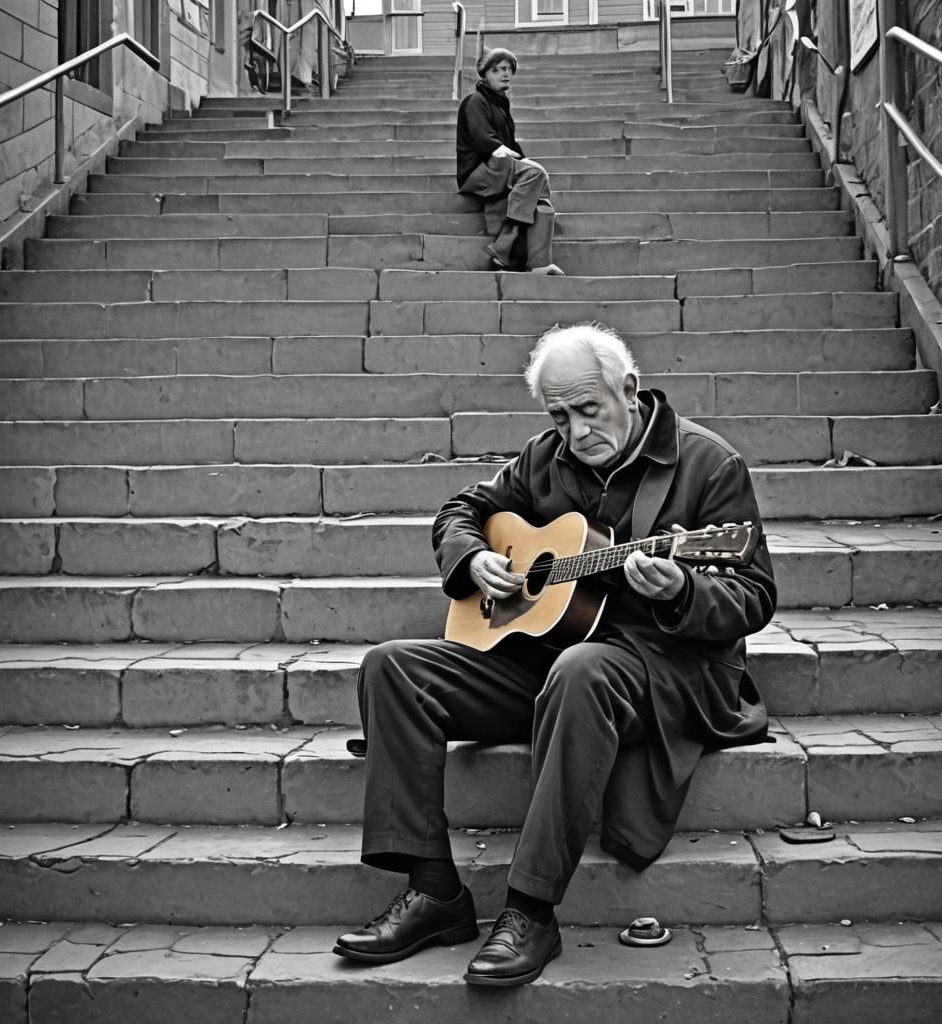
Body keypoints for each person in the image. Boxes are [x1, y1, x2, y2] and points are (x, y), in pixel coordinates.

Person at [333, 322, 776, 987]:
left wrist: (684, 589)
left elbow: (753, 596)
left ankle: (531, 910)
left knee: (582, 670)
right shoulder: (546, 458)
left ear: (628, 390)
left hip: (657, 668)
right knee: (392, 667)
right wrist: (475, 556)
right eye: (559, 416)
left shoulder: (708, 465)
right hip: (548, 661)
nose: (575, 431)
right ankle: (433, 892)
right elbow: (463, 509)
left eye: (588, 410)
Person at [456, 47, 564, 275]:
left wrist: (526, 163)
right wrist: (526, 165)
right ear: (485, 74)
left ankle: (539, 264)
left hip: (500, 169)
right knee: (535, 174)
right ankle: (505, 242)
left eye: (507, 69)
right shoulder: (475, 101)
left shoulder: (500, 105)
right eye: (497, 70)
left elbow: (513, 148)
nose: (504, 74)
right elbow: (484, 140)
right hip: (478, 172)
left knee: (541, 204)